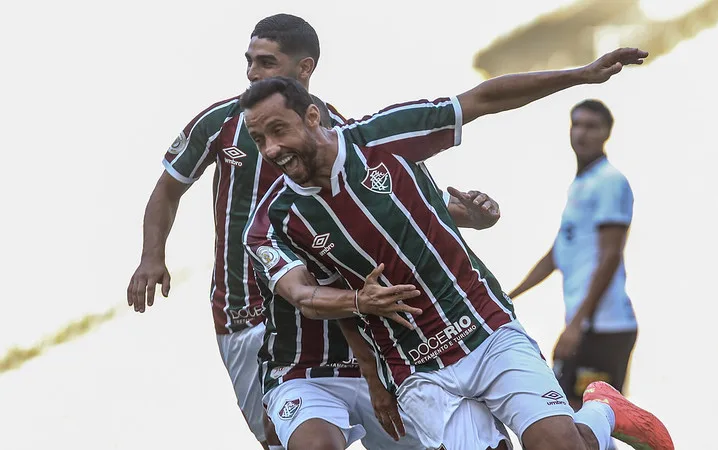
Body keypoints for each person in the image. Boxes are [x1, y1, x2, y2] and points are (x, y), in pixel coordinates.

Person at [242, 47, 674, 450]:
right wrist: (371, 361)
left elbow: (482, 99)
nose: (272, 149)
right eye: (260, 140)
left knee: (558, 444)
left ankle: (602, 411)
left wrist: (579, 75)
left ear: (312, 116)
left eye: (279, 130)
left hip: (483, 328)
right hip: (415, 368)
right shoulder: (273, 220)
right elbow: (305, 296)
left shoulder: (381, 138)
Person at [127, 13, 500, 449]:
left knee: (411, 436)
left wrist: (470, 216)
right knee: (280, 439)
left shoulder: (339, 134)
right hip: (247, 315)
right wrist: (152, 255)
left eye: (266, 62)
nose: (252, 73)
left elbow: (405, 210)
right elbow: (168, 188)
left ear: (304, 69)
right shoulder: (220, 122)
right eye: (249, 61)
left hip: (341, 312)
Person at [508, 100, 638, 417]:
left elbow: (610, 257)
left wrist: (577, 326)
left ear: (607, 132)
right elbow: (557, 253)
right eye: (576, 124)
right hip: (585, 326)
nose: (581, 133)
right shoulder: (581, 184)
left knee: (588, 419)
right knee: (570, 414)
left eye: (591, 126)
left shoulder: (609, 181)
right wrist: (507, 296)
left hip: (603, 328)